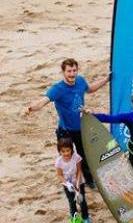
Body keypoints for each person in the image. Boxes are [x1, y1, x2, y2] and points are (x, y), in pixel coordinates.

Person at [26, 58, 110, 188]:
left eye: (74, 70)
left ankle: (88, 179)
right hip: (65, 130)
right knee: (67, 157)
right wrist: (32, 107)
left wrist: (106, 79)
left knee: (84, 155)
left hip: (81, 127)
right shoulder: (57, 89)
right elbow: (44, 100)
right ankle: (68, 181)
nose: (72, 74)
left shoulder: (81, 81)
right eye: (69, 71)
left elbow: (90, 89)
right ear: (63, 72)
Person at [55, 137, 90, 223]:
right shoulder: (59, 162)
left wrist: (78, 183)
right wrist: (67, 184)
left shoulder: (76, 158)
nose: (66, 153)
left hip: (79, 183)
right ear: (60, 151)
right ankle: (74, 219)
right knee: (72, 202)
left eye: (68, 150)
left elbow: (79, 171)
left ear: (71, 149)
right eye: (63, 151)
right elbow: (59, 175)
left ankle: (86, 218)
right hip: (68, 185)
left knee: (82, 201)